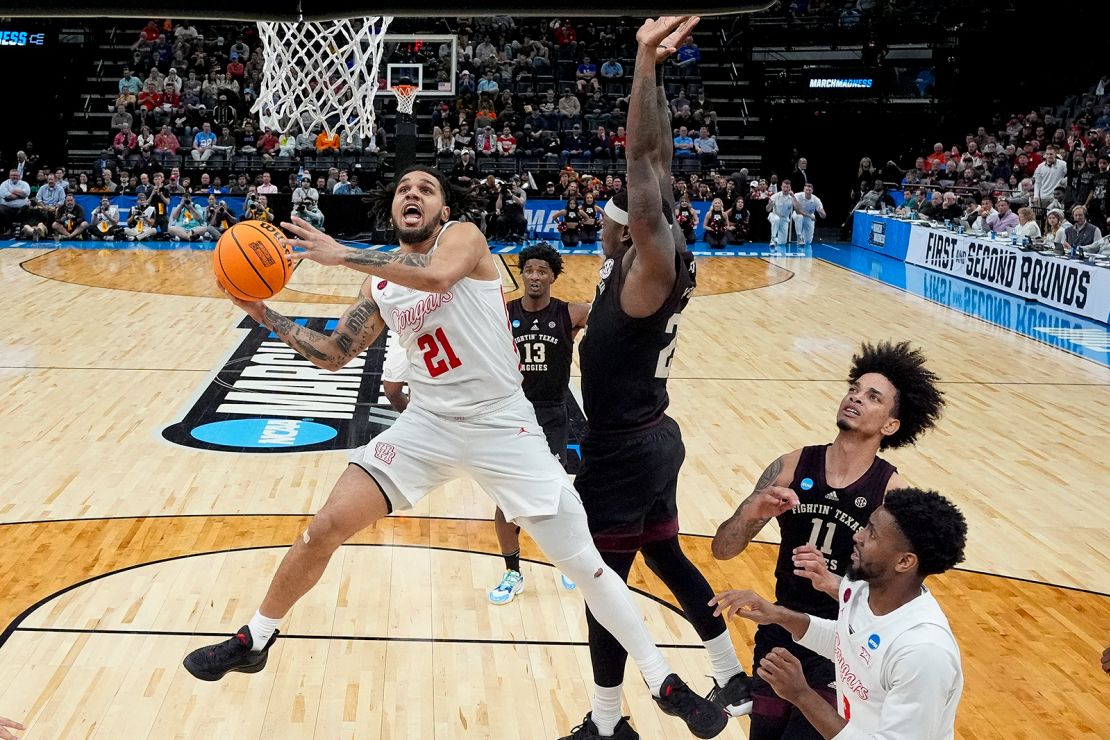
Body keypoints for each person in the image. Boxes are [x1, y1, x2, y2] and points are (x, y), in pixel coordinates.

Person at [182, 165, 725, 740]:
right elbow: (334, 353)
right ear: (392, 210)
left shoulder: (462, 238)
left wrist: (341, 253)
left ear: (442, 208)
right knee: (323, 527)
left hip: (501, 424)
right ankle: (256, 638)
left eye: (426, 189)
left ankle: (661, 679)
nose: (412, 194)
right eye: (402, 190)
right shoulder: (379, 285)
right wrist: (258, 309)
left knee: (584, 563)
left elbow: (439, 277)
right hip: (427, 425)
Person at [561, 17, 748, 740]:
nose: (610, 225)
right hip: (652, 436)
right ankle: (728, 668)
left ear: (638, 229)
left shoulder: (652, 263)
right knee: (665, 550)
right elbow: (659, 160)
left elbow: (643, 160)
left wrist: (642, 60)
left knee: (602, 584)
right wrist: (660, 77)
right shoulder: (645, 257)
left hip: (622, 450)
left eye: (620, 220)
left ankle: (609, 723)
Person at [712, 341, 945, 740]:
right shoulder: (790, 465)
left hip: (843, 643)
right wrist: (751, 513)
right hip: (779, 625)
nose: (855, 397)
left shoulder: (892, 494)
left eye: (873, 397)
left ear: (890, 425)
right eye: (854, 388)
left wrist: (835, 585)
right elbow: (723, 549)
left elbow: (893, 595)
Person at [711, 487, 967, 740]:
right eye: (867, 525)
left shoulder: (924, 653)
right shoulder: (862, 589)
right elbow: (849, 641)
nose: (858, 536)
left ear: (904, 562)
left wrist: (802, 695)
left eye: (873, 534)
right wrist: (778, 614)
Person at [489, 243, 591, 604]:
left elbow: (616, 322)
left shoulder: (571, 312)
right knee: (507, 499)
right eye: (529, 270)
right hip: (511, 414)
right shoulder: (503, 312)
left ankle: (568, 564)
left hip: (551, 413)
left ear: (553, 275)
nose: (534, 276)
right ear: (522, 273)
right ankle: (512, 571)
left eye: (542, 271)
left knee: (555, 494)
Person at [767, 179, 802, 249]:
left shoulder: (792, 197)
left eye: (787, 187)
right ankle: (772, 239)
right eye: (784, 187)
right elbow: (767, 209)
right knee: (776, 219)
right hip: (774, 215)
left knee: (782, 242)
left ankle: (777, 239)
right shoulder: (775, 196)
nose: (785, 189)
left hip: (784, 219)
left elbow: (798, 208)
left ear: (790, 188)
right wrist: (770, 204)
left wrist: (793, 197)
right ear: (781, 187)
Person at [792, 182, 825, 247]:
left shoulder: (816, 199)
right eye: (806, 190)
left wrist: (822, 213)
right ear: (804, 190)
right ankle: (799, 237)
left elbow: (823, 215)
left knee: (808, 241)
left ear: (812, 191)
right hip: (798, 214)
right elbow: (797, 211)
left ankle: (803, 239)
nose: (807, 192)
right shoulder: (797, 195)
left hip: (809, 217)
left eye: (809, 190)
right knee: (799, 216)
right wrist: (810, 216)